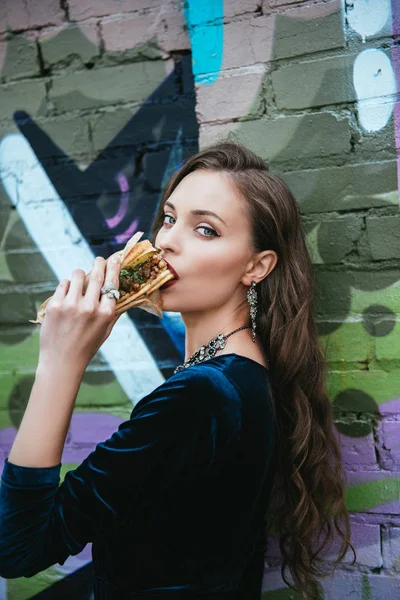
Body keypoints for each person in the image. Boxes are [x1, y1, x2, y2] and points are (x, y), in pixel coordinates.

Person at [0, 142, 356, 599]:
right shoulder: (246, 374)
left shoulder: (203, 395)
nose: (165, 240)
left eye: (205, 229)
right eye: (169, 218)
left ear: (256, 266)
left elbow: (19, 546)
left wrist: (60, 360)